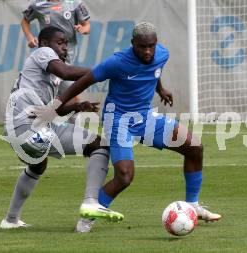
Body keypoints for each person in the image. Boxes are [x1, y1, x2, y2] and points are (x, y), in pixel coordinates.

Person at [55, 22, 222, 231]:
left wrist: (160, 89)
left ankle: (193, 205)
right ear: (133, 43)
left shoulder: (162, 54)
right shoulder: (116, 62)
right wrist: (56, 105)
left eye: (151, 46)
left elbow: (155, 70)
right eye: (142, 47)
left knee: (195, 147)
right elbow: (83, 82)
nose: (148, 51)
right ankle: (88, 217)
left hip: (145, 117)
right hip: (118, 120)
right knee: (124, 176)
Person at [0, 26, 123, 233]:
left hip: (36, 125)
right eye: (60, 42)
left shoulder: (55, 77)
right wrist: (105, 70)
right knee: (94, 146)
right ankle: (91, 201)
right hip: (24, 125)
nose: (65, 47)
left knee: (96, 146)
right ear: (45, 43)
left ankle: (10, 220)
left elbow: (56, 107)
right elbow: (66, 71)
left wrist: (77, 106)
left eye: (66, 43)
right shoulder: (42, 53)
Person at [21, 0, 91, 100]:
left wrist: (84, 28)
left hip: (68, 53)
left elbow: (87, 25)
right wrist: (30, 38)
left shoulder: (75, 3)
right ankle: (76, 110)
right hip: (48, 53)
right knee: (66, 88)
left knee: (64, 90)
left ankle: (72, 108)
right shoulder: (38, 4)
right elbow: (24, 21)